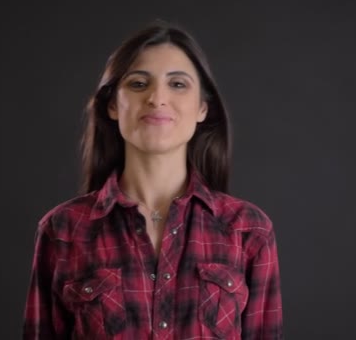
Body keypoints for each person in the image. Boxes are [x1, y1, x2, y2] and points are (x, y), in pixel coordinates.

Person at [22, 21, 283, 339]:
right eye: (137, 83)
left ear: (202, 107)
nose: (157, 98)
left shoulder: (248, 230)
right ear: (113, 106)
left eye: (177, 84)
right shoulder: (63, 230)